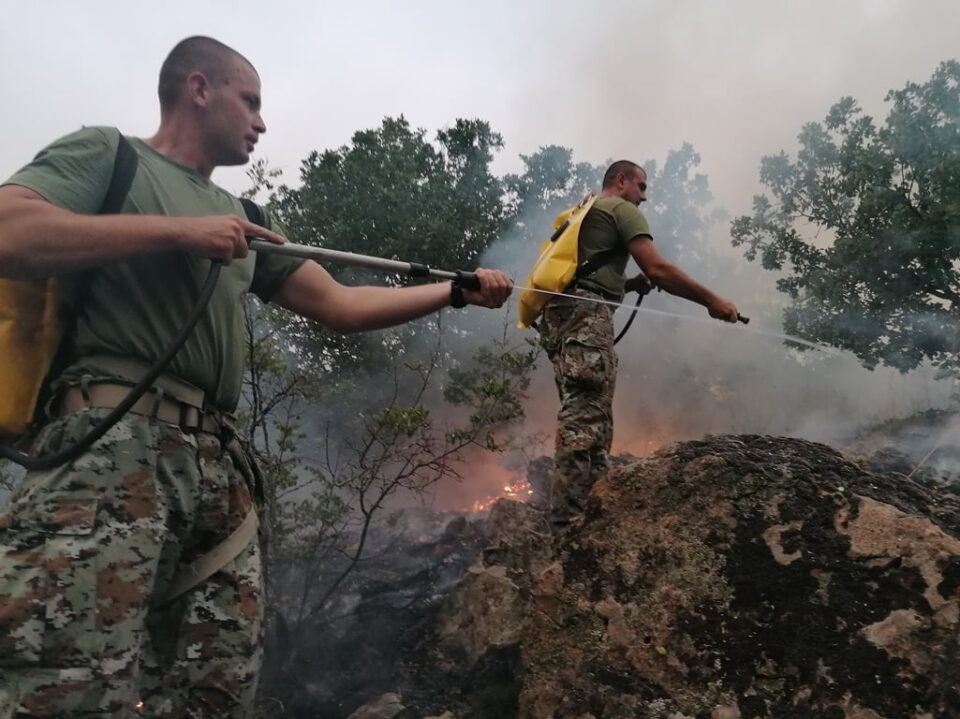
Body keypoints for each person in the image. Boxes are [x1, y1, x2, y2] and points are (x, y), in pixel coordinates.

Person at [0, 36, 512, 718]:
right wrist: (181, 234)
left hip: (216, 465)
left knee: (219, 677)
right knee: (67, 677)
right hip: (110, 447)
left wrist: (453, 291)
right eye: (251, 101)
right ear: (198, 88)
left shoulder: (248, 219)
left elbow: (341, 304)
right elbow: (10, 230)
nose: (262, 122)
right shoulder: (110, 156)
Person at [540, 160, 738, 532]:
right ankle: (568, 526)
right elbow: (660, 269)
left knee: (590, 415)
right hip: (586, 318)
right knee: (584, 421)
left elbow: (584, 276)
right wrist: (713, 300)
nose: (644, 197)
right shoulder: (620, 208)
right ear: (621, 181)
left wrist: (629, 285)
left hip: (563, 319)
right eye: (641, 187)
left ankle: (591, 513)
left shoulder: (588, 212)